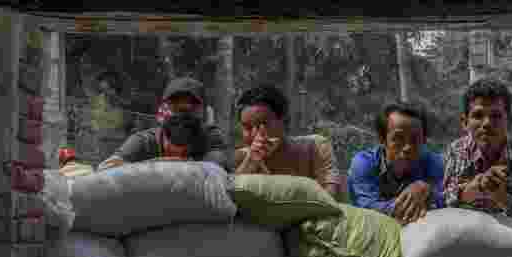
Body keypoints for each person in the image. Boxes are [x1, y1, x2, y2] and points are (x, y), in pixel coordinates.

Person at [443, 78, 512, 220]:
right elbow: (447, 199)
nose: (487, 123)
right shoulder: (456, 149)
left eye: (496, 116)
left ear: (509, 121)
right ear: (465, 122)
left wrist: (500, 196)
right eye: (478, 115)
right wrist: (473, 189)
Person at [97, 77, 230, 171]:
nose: (182, 116)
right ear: (162, 112)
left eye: (190, 109)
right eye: (175, 107)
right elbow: (105, 169)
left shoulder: (211, 137)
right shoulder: (145, 141)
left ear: (204, 114)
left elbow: (215, 171)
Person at [233, 83, 342, 197]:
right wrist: (251, 163)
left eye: (263, 124)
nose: (255, 134)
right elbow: (230, 203)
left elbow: (330, 198)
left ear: (285, 121)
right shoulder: (241, 159)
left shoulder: (315, 148)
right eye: (247, 127)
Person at [347, 103, 444, 225]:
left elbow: (445, 197)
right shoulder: (363, 164)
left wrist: (428, 191)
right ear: (382, 139)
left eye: (415, 139)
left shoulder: (433, 162)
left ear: (424, 140)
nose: (407, 147)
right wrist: (411, 201)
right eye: (398, 138)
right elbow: (367, 208)